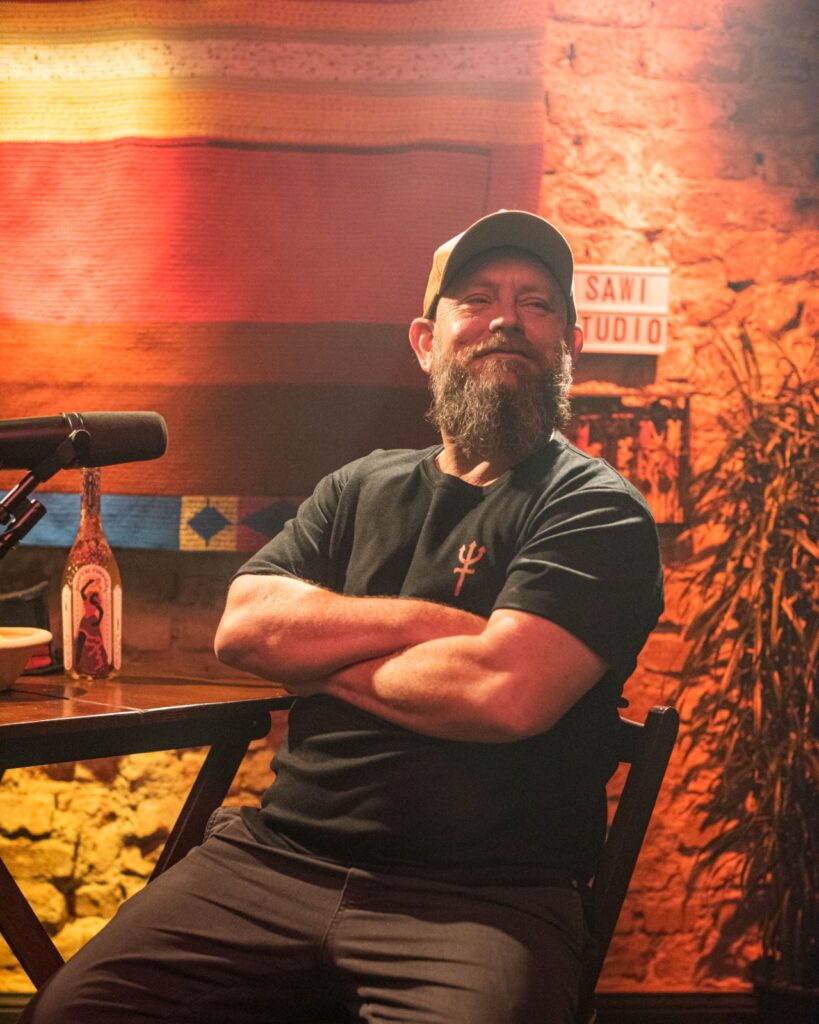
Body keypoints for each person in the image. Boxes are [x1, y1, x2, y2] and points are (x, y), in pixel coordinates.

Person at [22, 210, 663, 1024]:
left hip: (485, 897)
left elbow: (502, 695)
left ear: (565, 345)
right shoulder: (358, 487)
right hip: (275, 864)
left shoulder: (595, 510)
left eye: (537, 304)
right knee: (74, 1011)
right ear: (427, 342)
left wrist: (321, 654)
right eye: (478, 298)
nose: (507, 317)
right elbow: (246, 628)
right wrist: (439, 630)